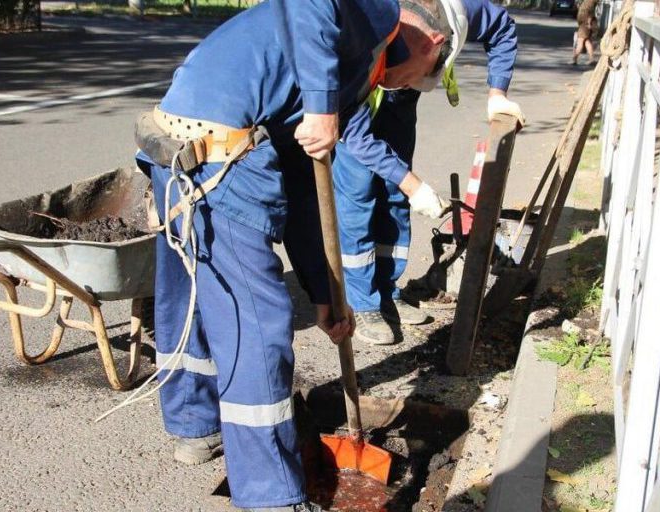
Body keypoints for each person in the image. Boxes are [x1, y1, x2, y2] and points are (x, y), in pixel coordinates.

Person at [133, 1, 456, 510]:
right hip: (220, 150)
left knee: (193, 292)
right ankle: (271, 496)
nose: (405, 86)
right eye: (420, 78)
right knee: (255, 321)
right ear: (432, 43)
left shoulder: (344, 66)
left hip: (177, 140)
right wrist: (323, 108)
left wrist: (325, 293)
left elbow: (307, 191)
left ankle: (195, 424)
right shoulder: (374, 14)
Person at [333, 0, 522, 346]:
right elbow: (353, 133)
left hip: (401, 98)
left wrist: (498, 92)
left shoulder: (458, 10)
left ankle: (387, 291)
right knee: (358, 196)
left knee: (394, 194)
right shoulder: (368, 20)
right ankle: (361, 302)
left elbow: (502, 28)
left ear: (436, 41)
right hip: (356, 99)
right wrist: (413, 184)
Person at [573, 0, 598, 65]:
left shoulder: (589, 3)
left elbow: (590, 15)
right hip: (584, 24)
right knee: (587, 42)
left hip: (584, 25)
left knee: (580, 42)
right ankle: (592, 59)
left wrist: (589, 24)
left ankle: (574, 59)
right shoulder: (589, 3)